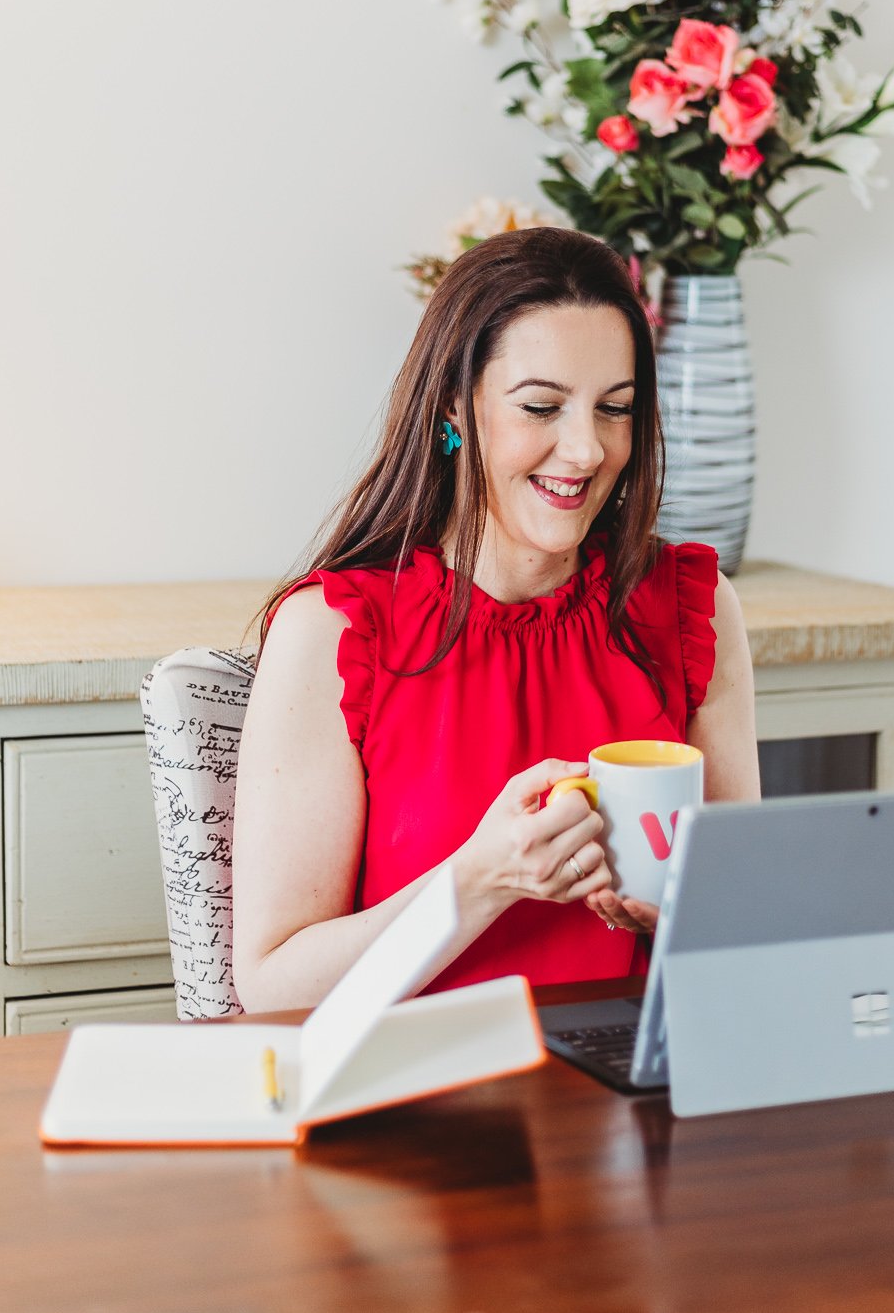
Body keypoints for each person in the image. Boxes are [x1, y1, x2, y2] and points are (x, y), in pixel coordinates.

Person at [232, 226, 761, 1011]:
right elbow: (273, 984)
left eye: (614, 409)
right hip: (422, 1100)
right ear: (453, 404)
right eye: (541, 406)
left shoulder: (687, 606)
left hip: (643, 1100)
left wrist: (685, 919)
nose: (585, 450)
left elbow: (750, 923)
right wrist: (479, 882)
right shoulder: (336, 631)